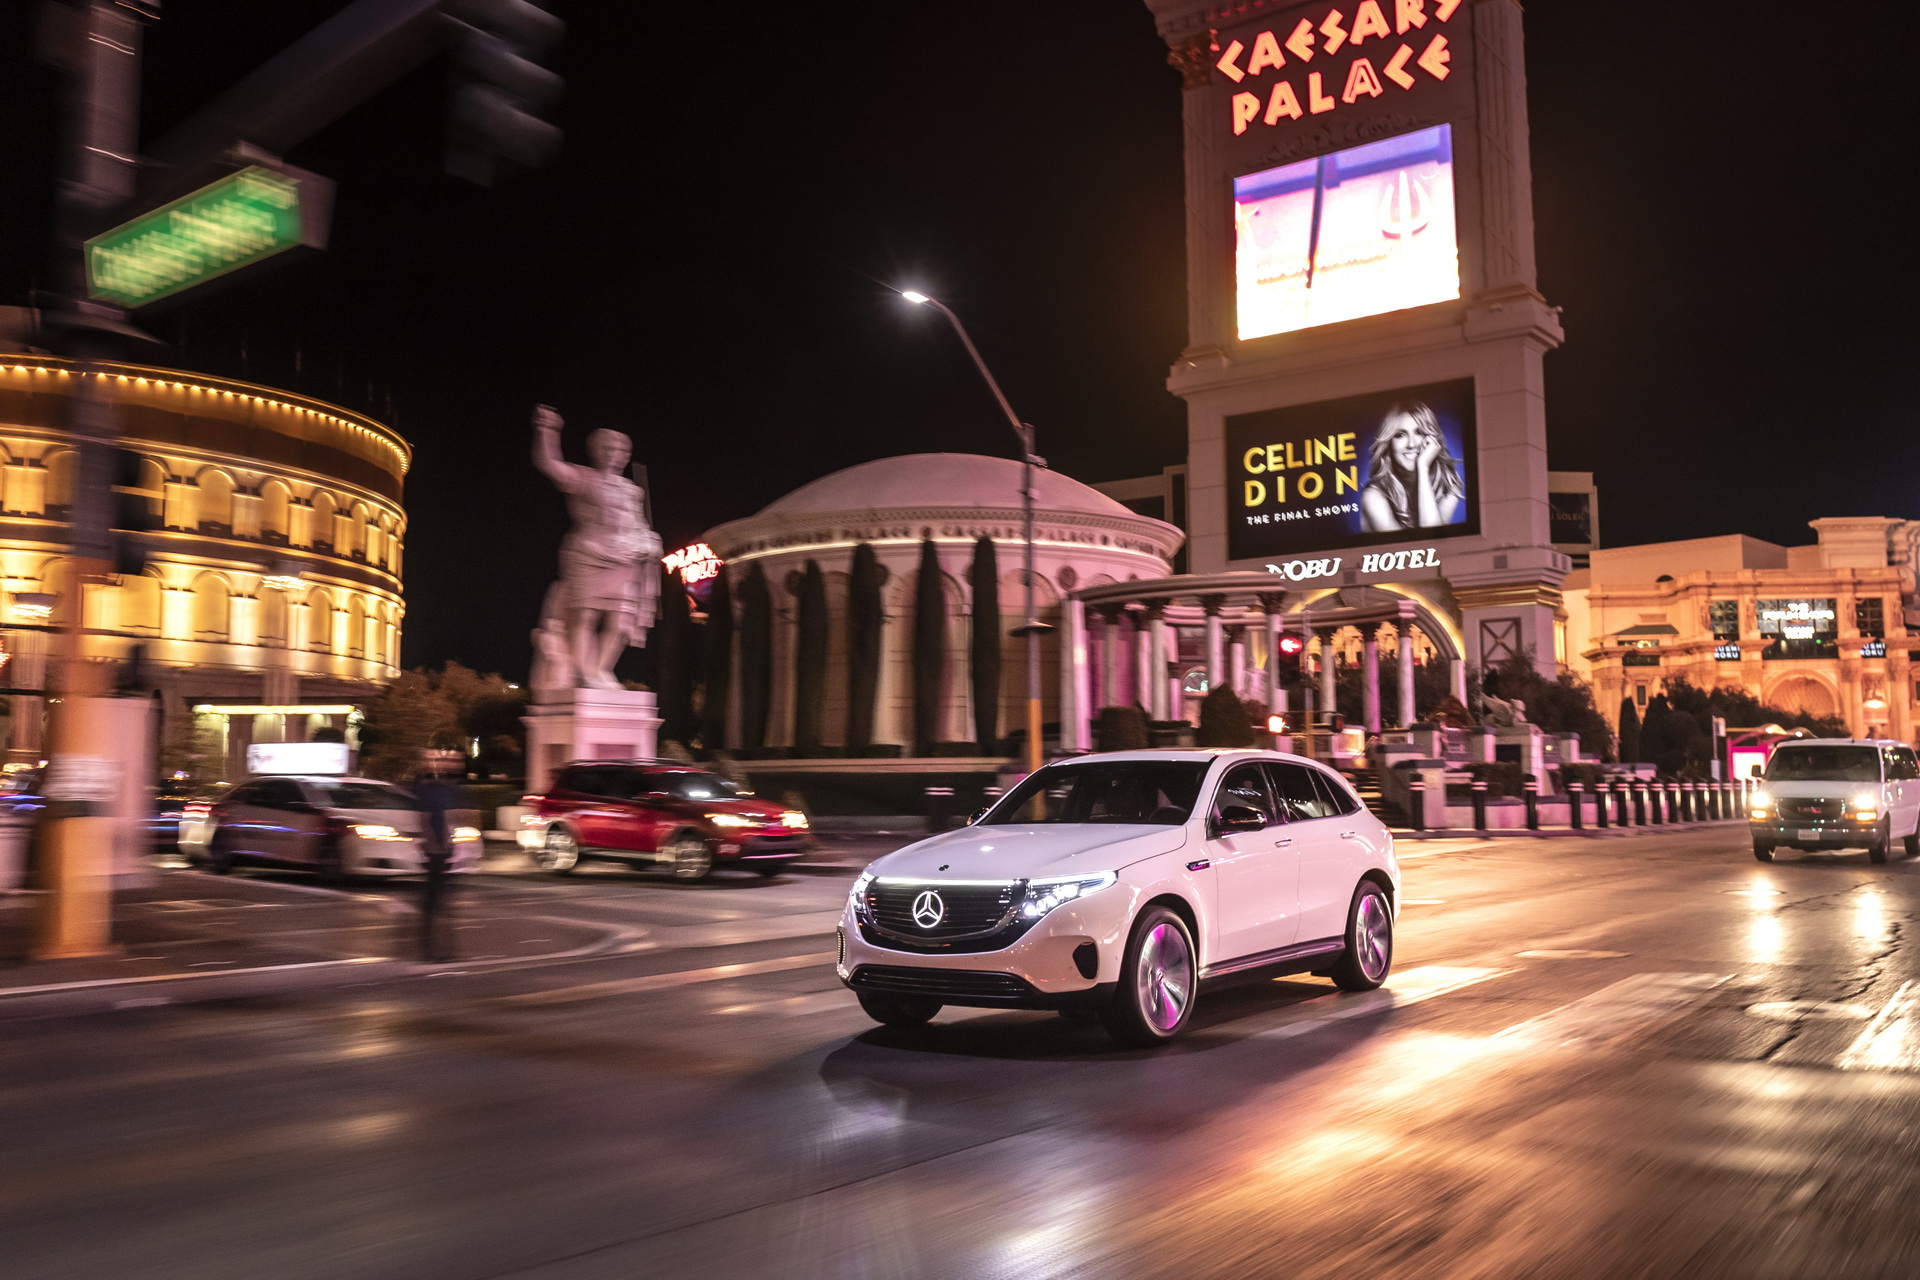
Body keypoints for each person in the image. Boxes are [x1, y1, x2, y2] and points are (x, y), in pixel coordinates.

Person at [1360, 400, 1465, 533]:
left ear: (1432, 439)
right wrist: (1423, 467)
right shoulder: (1372, 497)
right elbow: (1422, 546)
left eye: (1419, 432)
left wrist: (1423, 467)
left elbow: (1434, 541)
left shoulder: (1448, 486)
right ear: (1389, 444)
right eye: (1400, 435)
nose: (1411, 444)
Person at [412, 751, 462, 963]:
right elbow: (427, 821)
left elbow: (442, 820)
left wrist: (446, 842)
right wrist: (437, 847)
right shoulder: (435, 792)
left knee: (436, 901)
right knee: (436, 901)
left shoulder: (437, 791)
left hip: (439, 850)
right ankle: (435, 950)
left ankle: (439, 949)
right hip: (437, 852)